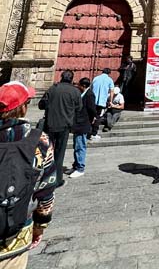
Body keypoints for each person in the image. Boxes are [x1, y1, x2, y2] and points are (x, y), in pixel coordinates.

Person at [0, 81, 56, 266]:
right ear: (23, 108)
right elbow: (45, 192)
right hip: (16, 235)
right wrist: (40, 227)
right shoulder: (38, 141)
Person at [38, 70, 82, 187]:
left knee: (48, 151)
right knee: (59, 153)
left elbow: (41, 105)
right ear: (72, 79)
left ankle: (44, 176)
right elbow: (79, 108)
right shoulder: (75, 91)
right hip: (65, 126)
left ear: (61, 77)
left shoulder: (52, 89)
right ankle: (57, 179)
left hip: (50, 125)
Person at [68, 77, 96, 178]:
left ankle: (80, 168)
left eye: (79, 85)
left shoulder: (89, 95)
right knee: (77, 145)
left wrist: (92, 119)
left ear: (83, 86)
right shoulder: (83, 94)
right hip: (78, 124)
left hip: (83, 124)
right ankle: (75, 165)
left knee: (80, 146)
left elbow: (92, 109)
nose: (78, 86)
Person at [89, 68, 114, 140]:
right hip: (102, 102)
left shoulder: (95, 78)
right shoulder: (109, 80)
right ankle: (94, 133)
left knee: (91, 116)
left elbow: (91, 88)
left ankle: (88, 132)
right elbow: (112, 91)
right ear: (109, 73)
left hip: (93, 101)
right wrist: (110, 101)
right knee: (98, 117)